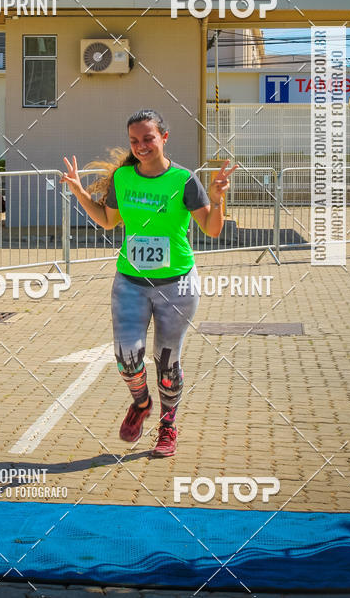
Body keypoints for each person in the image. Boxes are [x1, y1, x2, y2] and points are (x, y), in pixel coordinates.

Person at [60, 109, 237, 458]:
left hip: (177, 286)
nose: (141, 146)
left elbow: (212, 229)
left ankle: (168, 425)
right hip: (130, 283)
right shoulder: (123, 179)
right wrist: (81, 192)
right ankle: (141, 404)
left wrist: (217, 200)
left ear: (164, 138)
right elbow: (109, 222)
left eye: (148, 138)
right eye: (134, 141)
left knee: (167, 363)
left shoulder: (184, 180)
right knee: (127, 358)